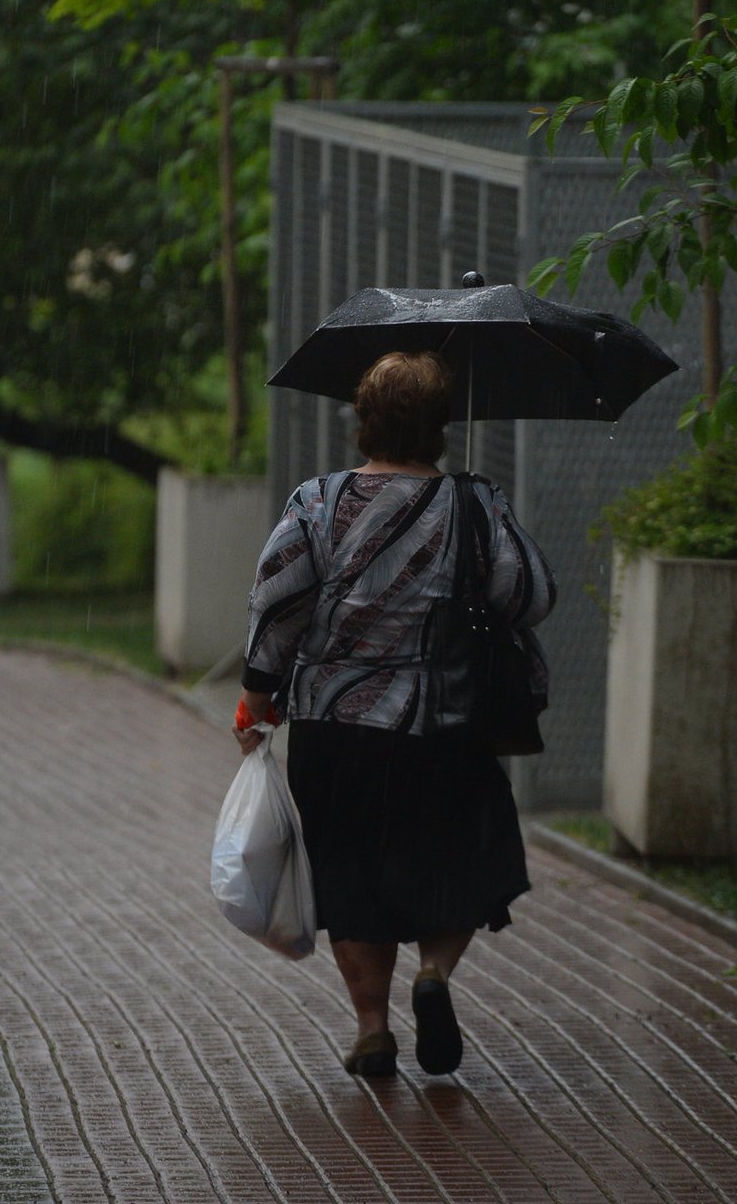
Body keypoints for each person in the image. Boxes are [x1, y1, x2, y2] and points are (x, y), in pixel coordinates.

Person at [234, 350, 556, 1079]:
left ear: (363, 422)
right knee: (456, 864)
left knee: (349, 878)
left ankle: (373, 1029)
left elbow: (278, 606)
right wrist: (469, 531)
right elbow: (530, 595)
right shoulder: (476, 503)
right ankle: (435, 976)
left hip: (335, 726)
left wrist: (257, 698)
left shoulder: (317, 502)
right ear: (440, 427)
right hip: (443, 724)